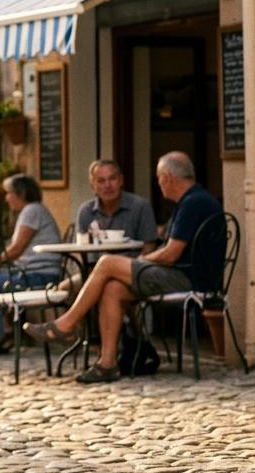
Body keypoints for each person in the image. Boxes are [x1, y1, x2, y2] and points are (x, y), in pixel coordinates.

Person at [23, 152, 222, 384]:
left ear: (167, 178)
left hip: (189, 279)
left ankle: (67, 323)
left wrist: (141, 262)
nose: (158, 184)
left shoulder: (192, 203)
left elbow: (171, 253)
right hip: (183, 274)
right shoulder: (192, 200)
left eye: (158, 179)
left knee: (107, 262)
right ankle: (108, 363)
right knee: (113, 288)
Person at [0, 174, 63, 354]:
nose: (6, 198)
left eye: (9, 193)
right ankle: (5, 333)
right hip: (34, 271)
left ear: (21, 193)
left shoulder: (31, 211)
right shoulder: (33, 210)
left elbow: (16, 249)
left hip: (39, 275)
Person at [77, 159, 158, 256]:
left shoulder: (140, 207)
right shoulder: (85, 211)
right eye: (101, 181)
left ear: (121, 181)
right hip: (93, 269)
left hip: (131, 267)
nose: (107, 185)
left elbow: (149, 247)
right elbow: (79, 251)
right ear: (92, 186)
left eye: (112, 179)